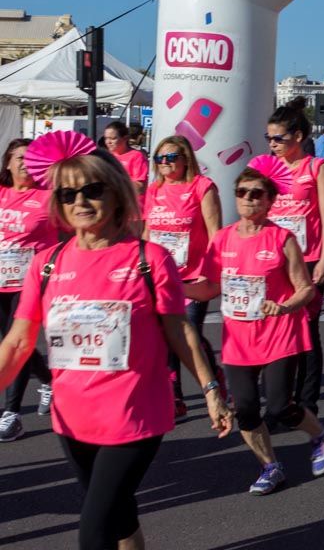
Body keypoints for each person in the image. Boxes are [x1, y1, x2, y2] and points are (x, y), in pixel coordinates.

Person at [0, 131, 232, 549]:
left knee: (94, 530)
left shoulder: (149, 259)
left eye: (92, 190)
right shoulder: (46, 265)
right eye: (68, 194)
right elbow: (18, 343)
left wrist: (211, 389)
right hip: (72, 417)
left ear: (117, 194)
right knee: (117, 512)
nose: (80, 202)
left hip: (134, 414)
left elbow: (180, 330)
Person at [198, 155, 324, 494]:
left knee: (279, 406)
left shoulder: (282, 239)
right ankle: (270, 466)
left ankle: (320, 434)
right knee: (245, 409)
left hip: (278, 334)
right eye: (243, 192)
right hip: (238, 338)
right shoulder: (222, 239)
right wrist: (170, 283)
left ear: (271, 200)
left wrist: (284, 305)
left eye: (257, 193)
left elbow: (305, 290)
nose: (249, 199)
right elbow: (210, 287)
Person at [143, 135, 224, 418]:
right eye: (159, 158)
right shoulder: (153, 190)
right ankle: (174, 395)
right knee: (166, 332)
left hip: (194, 276)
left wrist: (213, 275)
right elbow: (147, 233)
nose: (164, 163)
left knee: (189, 330)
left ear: (186, 158)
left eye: (170, 157)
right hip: (161, 274)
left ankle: (213, 376)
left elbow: (216, 233)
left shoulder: (202, 187)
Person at [266, 99, 324, 417]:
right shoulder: (269, 168)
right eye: (269, 138)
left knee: (307, 326)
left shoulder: (315, 167)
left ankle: (306, 402)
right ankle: (280, 401)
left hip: (308, 258)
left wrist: (323, 260)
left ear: (297, 136)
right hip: (276, 260)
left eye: (278, 138)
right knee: (278, 326)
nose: (272, 144)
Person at [0, 139, 56, 442]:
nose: (24, 163)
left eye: (30, 159)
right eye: (18, 158)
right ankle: (48, 380)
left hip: (30, 283)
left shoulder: (49, 198)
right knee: (14, 342)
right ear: (7, 162)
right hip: (0, 281)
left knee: (16, 341)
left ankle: (11, 414)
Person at [103, 121, 149, 202]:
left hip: (131, 205)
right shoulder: (107, 156)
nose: (108, 142)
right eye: (106, 138)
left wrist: (115, 183)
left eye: (113, 138)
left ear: (125, 138)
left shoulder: (136, 156)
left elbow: (140, 187)